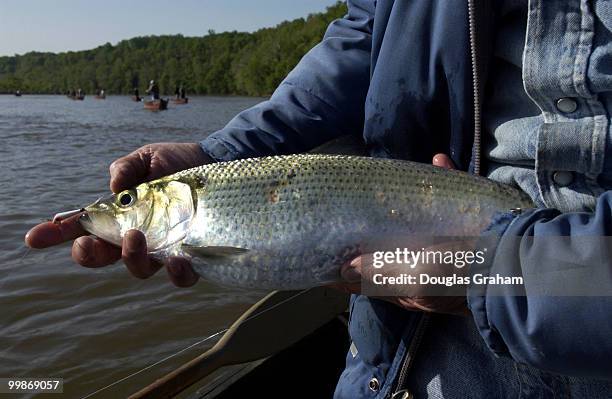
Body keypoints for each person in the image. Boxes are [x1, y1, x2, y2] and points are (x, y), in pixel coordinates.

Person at [25, 1, 612, 398]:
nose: (119, 211)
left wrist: (497, 274)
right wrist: (219, 153)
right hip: (406, 342)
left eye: (130, 206)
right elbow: (360, 42)